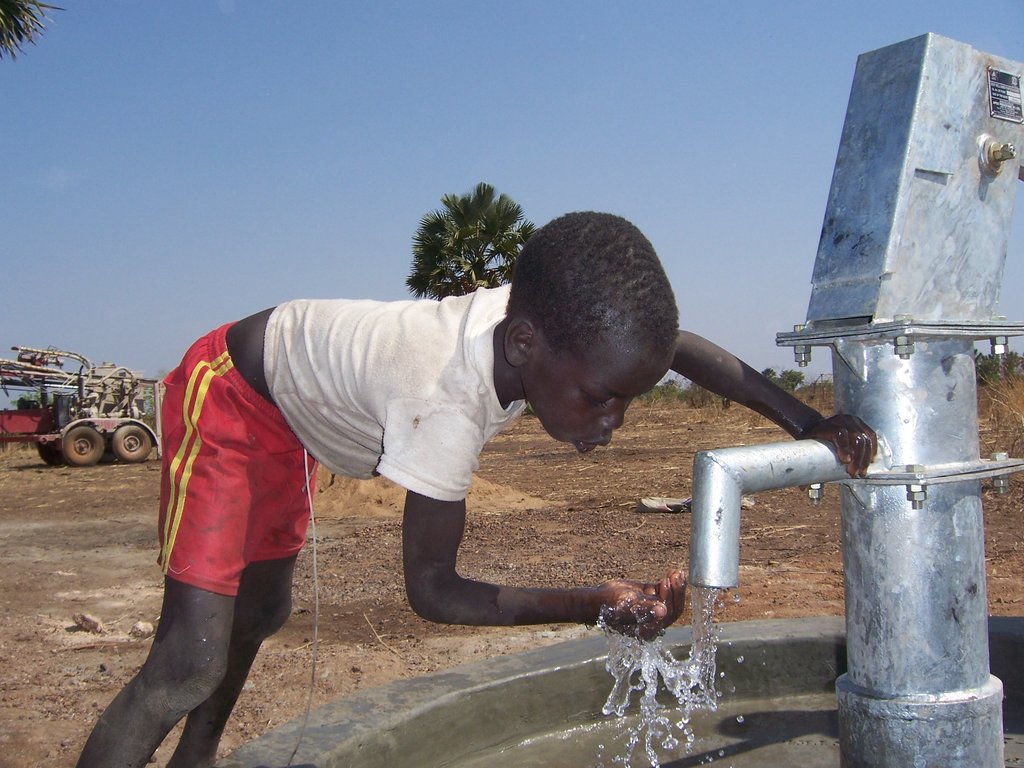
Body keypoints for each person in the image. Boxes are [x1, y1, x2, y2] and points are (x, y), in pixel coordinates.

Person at [76, 211, 875, 768]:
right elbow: (432, 593)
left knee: (263, 610)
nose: (617, 420)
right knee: (188, 661)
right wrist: (595, 601)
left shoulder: (547, 324)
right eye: (601, 396)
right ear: (525, 344)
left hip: (297, 415)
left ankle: (198, 761)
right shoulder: (443, 402)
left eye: (627, 397)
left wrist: (805, 422)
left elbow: (683, 350)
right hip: (232, 393)